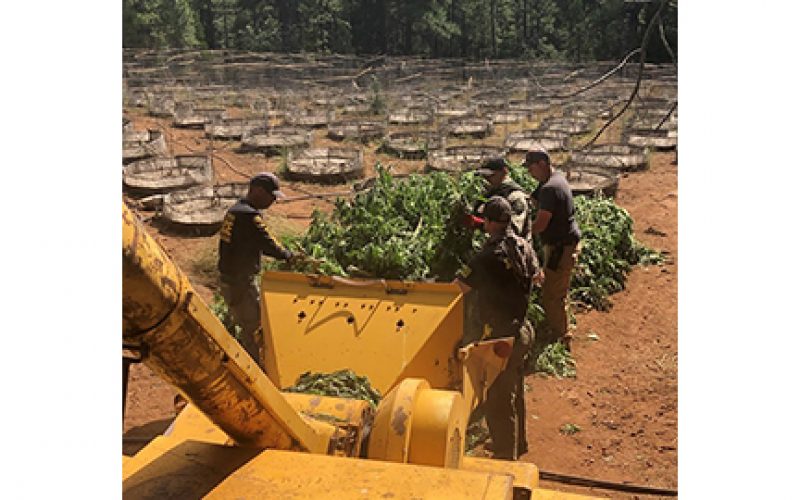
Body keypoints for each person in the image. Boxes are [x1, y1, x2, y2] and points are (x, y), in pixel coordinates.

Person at [454, 196, 541, 460]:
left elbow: (460, 288)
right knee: (514, 390)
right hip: (523, 329)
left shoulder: (487, 257)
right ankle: (518, 441)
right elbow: (538, 277)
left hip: (501, 337)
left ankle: (505, 455)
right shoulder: (523, 246)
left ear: (490, 223)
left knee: (498, 397)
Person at [217, 172, 300, 365]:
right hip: (240, 284)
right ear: (258, 191)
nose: (273, 201)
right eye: (271, 196)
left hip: (231, 280)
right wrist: (288, 256)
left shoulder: (235, 210)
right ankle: (254, 370)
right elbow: (268, 242)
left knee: (249, 325)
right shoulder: (248, 216)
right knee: (254, 329)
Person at [524, 148, 582, 349]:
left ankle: (561, 337)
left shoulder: (550, 187)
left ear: (541, 164)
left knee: (552, 294)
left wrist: (523, 236)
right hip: (566, 242)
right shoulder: (556, 178)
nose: (530, 174)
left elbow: (541, 224)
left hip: (561, 247)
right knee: (556, 288)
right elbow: (535, 198)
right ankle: (557, 327)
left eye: (531, 169)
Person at [466, 156, 532, 242]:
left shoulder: (515, 196)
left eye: (490, 175)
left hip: (513, 251)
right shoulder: (489, 193)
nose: (487, 179)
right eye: (484, 176)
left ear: (504, 171)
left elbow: (514, 229)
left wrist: (480, 224)